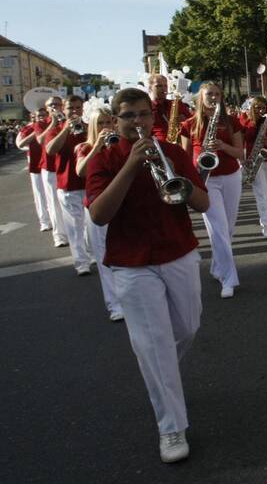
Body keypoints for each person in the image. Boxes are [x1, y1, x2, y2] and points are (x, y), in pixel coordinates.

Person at [86, 87, 209, 463]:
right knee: (154, 346)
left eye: (143, 115)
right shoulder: (104, 160)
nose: (137, 122)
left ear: (152, 118)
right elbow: (99, 215)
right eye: (128, 116)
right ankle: (170, 427)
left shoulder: (171, 152)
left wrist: (183, 187)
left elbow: (203, 202)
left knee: (188, 327)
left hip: (178, 252)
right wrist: (129, 166)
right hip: (131, 263)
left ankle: (161, 374)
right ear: (116, 119)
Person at [180, 82, 245, 299]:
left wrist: (223, 146)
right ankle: (229, 279)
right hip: (205, 179)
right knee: (218, 227)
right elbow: (183, 156)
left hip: (231, 176)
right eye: (210, 94)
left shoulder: (231, 121)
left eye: (217, 94)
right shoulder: (189, 124)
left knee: (227, 229)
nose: (214, 97)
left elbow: (240, 154)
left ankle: (218, 268)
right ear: (201, 97)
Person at [76, 106, 124, 321]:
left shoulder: (121, 145)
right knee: (104, 256)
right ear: (92, 127)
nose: (105, 127)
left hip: (123, 204)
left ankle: (131, 296)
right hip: (98, 206)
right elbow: (81, 171)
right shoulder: (84, 147)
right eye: (100, 124)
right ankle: (114, 304)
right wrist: (97, 146)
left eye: (108, 122)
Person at [44, 95, 93, 275]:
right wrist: (65, 128)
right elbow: (50, 150)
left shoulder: (89, 128)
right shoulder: (55, 129)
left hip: (88, 183)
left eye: (77, 108)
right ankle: (81, 263)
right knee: (75, 227)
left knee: (91, 225)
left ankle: (92, 254)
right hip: (67, 186)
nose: (74, 112)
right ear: (63, 110)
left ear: (82, 109)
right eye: (70, 108)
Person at [242, 96, 267, 239]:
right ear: (252, 107)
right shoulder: (246, 122)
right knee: (261, 195)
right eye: (257, 107)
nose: (260, 110)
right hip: (254, 161)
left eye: (263, 108)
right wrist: (243, 160)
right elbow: (241, 142)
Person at [36, 96, 70, 248]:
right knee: (54, 203)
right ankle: (59, 235)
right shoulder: (41, 123)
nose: (55, 107)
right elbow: (41, 140)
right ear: (46, 108)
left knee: (70, 203)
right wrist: (54, 124)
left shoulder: (68, 120)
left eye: (57, 104)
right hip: (50, 168)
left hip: (66, 167)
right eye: (51, 105)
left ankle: (73, 233)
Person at [15, 109, 52, 233]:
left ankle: (55, 220)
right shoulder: (28, 128)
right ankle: (44, 221)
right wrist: (36, 131)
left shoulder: (52, 123)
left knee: (52, 195)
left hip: (51, 164)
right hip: (36, 163)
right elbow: (20, 144)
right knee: (40, 194)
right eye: (39, 115)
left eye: (44, 115)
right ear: (34, 117)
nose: (42, 117)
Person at [148, 74, 190, 142]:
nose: (163, 88)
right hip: (159, 145)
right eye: (159, 86)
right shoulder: (147, 108)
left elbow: (193, 122)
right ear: (150, 88)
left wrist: (185, 121)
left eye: (165, 86)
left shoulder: (177, 104)